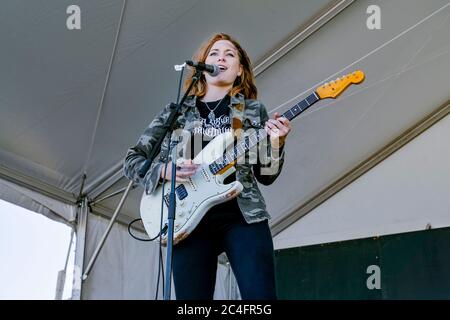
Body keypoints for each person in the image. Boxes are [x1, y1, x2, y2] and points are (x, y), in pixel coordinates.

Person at [123, 33, 292, 300]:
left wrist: (276, 144)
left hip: (242, 216)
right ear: (202, 67)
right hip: (187, 218)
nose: (220, 58)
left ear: (239, 72)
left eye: (229, 54)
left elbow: (266, 175)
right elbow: (133, 161)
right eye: (213, 54)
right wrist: (165, 171)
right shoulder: (175, 112)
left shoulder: (251, 111)